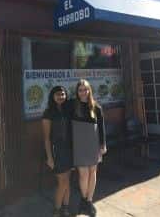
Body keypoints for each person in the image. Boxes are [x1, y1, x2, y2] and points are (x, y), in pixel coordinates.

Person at [71, 79, 107, 217]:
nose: (83, 92)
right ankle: (84, 199)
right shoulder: (73, 106)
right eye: (80, 90)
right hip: (79, 145)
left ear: (89, 90)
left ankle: (88, 201)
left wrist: (103, 145)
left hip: (94, 144)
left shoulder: (96, 107)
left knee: (93, 173)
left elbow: (101, 128)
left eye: (85, 89)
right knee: (83, 174)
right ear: (77, 92)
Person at [42, 86, 72, 217]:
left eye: (63, 94)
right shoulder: (48, 113)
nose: (61, 97)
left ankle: (65, 209)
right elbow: (46, 138)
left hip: (69, 150)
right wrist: (49, 157)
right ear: (52, 97)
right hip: (57, 151)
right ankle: (57, 210)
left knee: (68, 181)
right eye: (57, 94)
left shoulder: (67, 110)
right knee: (62, 182)